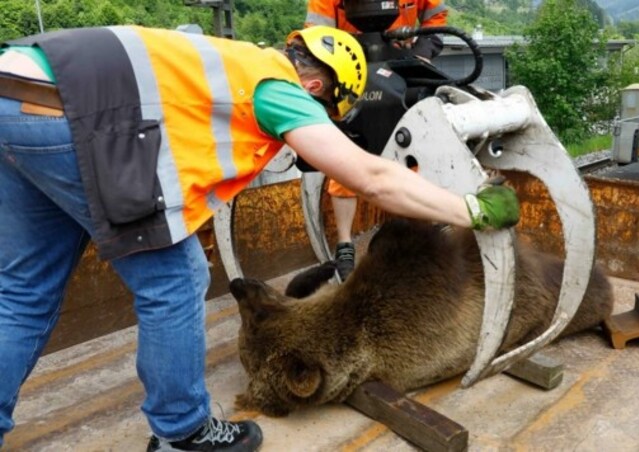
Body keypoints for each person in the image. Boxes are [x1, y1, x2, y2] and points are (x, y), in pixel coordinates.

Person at [0, 25, 518, 451]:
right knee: (176, 280)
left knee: (24, 292)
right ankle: (183, 433)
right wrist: (469, 208)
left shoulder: (235, 62)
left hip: (14, 89)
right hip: (69, 118)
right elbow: (372, 178)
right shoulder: (277, 90)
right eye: (328, 114)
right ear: (318, 88)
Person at [305, 0, 448, 280]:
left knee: (413, 157)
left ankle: (422, 234)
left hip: (402, 67)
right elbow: (316, 36)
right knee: (346, 158)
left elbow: (436, 18)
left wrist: (422, 53)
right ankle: (345, 244)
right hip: (349, 72)